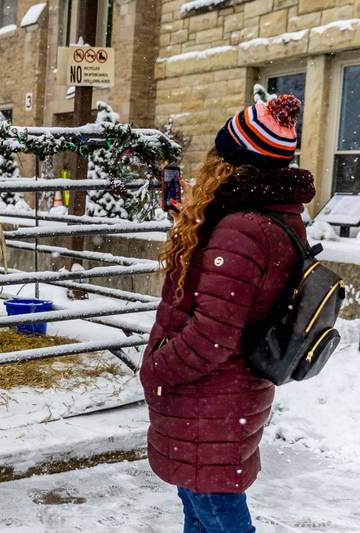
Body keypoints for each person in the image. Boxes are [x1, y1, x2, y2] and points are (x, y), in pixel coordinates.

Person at [140, 94, 315, 532]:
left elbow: (212, 336)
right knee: (199, 509)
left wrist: (157, 367)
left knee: (216, 512)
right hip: (222, 397)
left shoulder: (242, 228)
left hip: (211, 397)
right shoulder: (262, 216)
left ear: (232, 160)